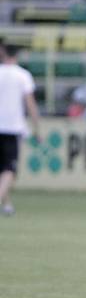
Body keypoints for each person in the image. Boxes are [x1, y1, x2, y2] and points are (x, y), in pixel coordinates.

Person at [0, 44, 40, 217]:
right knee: (10, 170)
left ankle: (7, 205)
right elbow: (30, 103)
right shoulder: (23, 75)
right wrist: (37, 128)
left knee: (2, 170)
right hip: (12, 127)